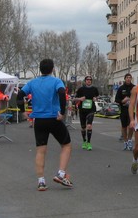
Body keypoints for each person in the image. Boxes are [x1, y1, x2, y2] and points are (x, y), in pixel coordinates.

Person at [23, 58, 73, 191]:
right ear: (52, 69)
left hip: (39, 120)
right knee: (66, 145)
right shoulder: (56, 81)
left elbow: (20, 94)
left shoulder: (32, 82)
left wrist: (23, 111)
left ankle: (41, 182)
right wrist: (62, 112)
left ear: (40, 69)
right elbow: (62, 93)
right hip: (54, 118)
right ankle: (61, 174)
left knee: (41, 150)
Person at [74, 75, 99, 150]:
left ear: (91, 81)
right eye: (87, 80)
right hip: (82, 110)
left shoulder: (94, 89)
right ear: (85, 81)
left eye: (90, 80)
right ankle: (84, 141)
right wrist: (80, 99)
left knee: (89, 126)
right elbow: (74, 99)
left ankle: (88, 142)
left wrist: (95, 98)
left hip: (91, 109)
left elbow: (97, 97)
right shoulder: (81, 89)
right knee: (83, 127)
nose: (89, 81)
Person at [115, 73, 135, 150]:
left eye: (130, 77)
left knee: (131, 126)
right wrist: (123, 101)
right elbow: (116, 100)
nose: (128, 79)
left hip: (132, 110)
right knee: (124, 126)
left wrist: (132, 100)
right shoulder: (121, 88)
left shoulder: (134, 87)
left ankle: (130, 140)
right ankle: (125, 141)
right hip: (123, 109)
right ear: (125, 79)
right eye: (127, 77)